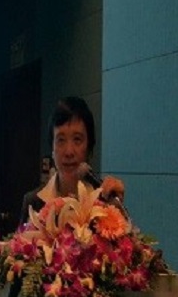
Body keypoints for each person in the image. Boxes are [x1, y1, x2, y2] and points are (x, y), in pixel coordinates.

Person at [19, 96, 125, 225]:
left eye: (77, 139)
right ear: (52, 148)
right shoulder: (33, 202)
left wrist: (118, 205)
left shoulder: (105, 198)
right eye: (61, 140)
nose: (69, 152)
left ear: (89, 147)